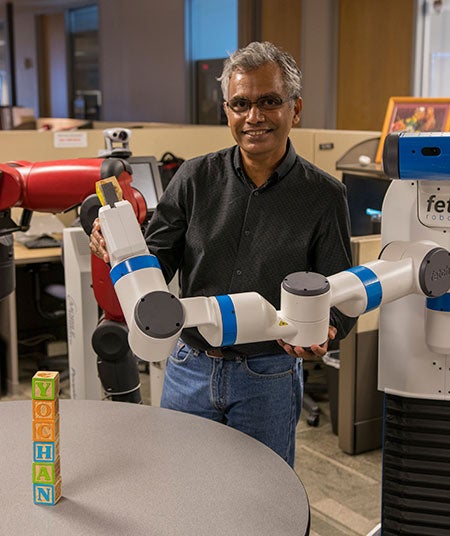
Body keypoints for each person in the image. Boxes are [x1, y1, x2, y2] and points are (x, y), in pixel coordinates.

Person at [90, 41, 355, 468]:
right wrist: (120, 249)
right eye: (241, 104)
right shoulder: (195, 177)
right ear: (227, 112)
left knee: (264, 500)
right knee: (183, 489)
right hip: (189, 365)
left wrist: (329, 331)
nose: (254, 117)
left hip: (267, 374)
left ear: (296, 109)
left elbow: (341, 287)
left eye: (269, 101)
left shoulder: (323, 196)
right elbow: (157, 259)